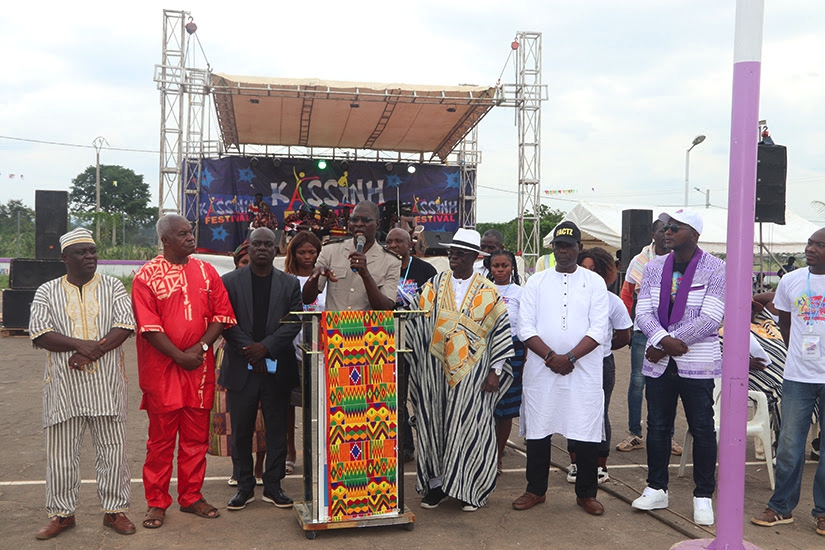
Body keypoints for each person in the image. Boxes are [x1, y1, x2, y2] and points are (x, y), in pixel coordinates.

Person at [29, 228, 136, 540]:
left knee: (113, 451)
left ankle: (114, 511)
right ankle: (62, 515)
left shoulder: (114, 286)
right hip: (63, 388)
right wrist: (82, 346)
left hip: (106, 385)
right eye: (81, 252)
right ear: (64, 257)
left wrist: (93, 352)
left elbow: (124, 325)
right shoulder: (46, 291)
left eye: (92, 251)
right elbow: (40, 333)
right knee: (61, 455)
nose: (90, 257)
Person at [132, 214, 237, 529]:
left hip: (199, 372)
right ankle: (156, 502)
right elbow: (149, 327)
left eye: (191, 232)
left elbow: (221, 314)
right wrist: (179, 355)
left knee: (195, 439)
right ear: (165, 240)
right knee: (160, 442)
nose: (191, 238)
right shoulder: (146, 276)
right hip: (162, 372)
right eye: (183, 234)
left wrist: (200, 350)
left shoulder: (207, 271)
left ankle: (191, 496)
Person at [406, 228, 514, 512]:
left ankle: (470, 489)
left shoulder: (488, 291)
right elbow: (417, 323)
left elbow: (500, 333)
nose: (454, 256)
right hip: (433, 370)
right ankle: (437, 486)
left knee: (469, 427)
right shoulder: (433, 284)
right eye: (452, 251)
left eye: (460, 253)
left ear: (475, 257)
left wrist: (496, 371)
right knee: (435, 426)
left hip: (473, 373)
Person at [631, 208, 725, 526]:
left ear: (694, 235)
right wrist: (662, 341)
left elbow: (711, 318)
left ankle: (702, 497)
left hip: (696, 362)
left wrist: (668, 343)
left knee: (701, 428)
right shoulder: (655, 267)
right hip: (660, 362)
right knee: (657, 427)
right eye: (666, 227)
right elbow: (642, 311)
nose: (667, 232)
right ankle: (657, 488)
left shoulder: (715, 268)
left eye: (676, 228)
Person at [512, 221, 610, 516]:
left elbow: (599, 328)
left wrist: (570, 358)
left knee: (585, 430)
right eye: (558, 245)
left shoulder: (594, 282)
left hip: (583, 371)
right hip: (543, 371)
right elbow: (524, 326)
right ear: (552, 249)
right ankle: (535, 489)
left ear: (580, 248)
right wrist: (552, 356)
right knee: (539, 430)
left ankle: (586, 493)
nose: (563, 250)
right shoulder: (536, 282)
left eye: (569, 246)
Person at [220, 227, 303, 511]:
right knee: (241, 430)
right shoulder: (229, 282)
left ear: (276, 250)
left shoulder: (290, 284)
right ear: (249, 247)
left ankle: (273, 486)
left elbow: (294, 321)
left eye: (269, 244)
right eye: (257, 244)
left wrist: (265, 347)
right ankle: (244, 486)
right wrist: (251, 350)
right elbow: (225, 320)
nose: (263, 249)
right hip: (241, 367)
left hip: (276, 367)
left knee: (277, 429)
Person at [751, 227, 825, 536]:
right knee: (790, 445)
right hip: (798, 376)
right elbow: (785, 325)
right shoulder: (792, 281)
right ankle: (781, 507)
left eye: (819, 245)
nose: (811, 248)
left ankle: (822, 512)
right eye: (810, 243)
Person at [566, 247, 632, 485]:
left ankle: (600, 465)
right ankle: (574, 463)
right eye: (583, 268)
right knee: (573, 411)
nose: (588, 273)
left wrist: (601, 347)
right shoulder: (567, 298)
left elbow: (625, 335)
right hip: (571, 364)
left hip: (601, 365)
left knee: (598, 413)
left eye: (594, 269)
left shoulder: (612, 301)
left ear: (605, 272)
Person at [617, 219, 681, 454]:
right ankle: (635, 434)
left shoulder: (680, 259)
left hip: (671, 334)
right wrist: (626, 326)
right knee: (637, 382)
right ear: (652, 234)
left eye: (670, 229)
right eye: (662, 230)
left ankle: (668, 437)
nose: (666, 233)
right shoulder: (640, 260)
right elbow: (626, 295)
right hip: (643, 332)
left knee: (670, 384)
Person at [208, 241, 267, 486]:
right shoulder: (226, 286)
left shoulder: (268, 285)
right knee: (232, 415)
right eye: (244, 262)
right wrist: (245, 345)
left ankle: (260, 469)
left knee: (262, 414)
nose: (248, 266)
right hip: (231, 354)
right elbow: (220, 320)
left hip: (263, 354)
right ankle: (239, 469)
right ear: (237, 264)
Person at [385, 227, 437, 463]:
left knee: (420, 395)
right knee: (395, 395)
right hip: (388, 338)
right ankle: (403, 445)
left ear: (410, 245)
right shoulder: (380, 268)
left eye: (399, 241)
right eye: (390, 241)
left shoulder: (425, 270)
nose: (394, 245)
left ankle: (429, 444)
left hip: (419, 340)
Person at [302, 200, 400, 312]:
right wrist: (314, 277)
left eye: (366, 220)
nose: (359, 224)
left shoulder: (391, 261)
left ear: (377, 224)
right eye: (354, 220)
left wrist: (365, 275)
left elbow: (385, 308)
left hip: (368, 328)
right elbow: (307, 299)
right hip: (334, 327)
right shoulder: (330, 250)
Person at [282, 230, 326, 474]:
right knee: (290, 404)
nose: (307, 257)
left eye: (312, 252)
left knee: (320, 405)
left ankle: (319, 450)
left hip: (322, 352)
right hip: (293, 350)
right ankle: (290, 451)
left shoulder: (326, 279)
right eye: (302, 252)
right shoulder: (286, 279)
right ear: (294, 254)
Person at [487, 249, 525, 475]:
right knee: (486, 405)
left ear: (512, 268)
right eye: (496, 266)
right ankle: (484, 452)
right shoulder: (482, 288)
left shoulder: (521, 293)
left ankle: (498, 456)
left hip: (515, 351)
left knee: (505, 409)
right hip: (486, 351)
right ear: (489, 268)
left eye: (504, 266)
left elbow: (526, 325)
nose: (500, 270)